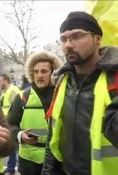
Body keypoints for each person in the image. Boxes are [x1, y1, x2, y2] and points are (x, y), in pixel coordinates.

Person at [42, 11, 118, 175]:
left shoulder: (115, 78)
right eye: (64, 39)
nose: (68, 44)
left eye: (77, 36)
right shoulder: (62, 82)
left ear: (97, 39)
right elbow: (52, 136)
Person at [7, 51, 62, 175]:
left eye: (44, 71)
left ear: (53, 73)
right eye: (36, 72)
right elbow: (10, 124)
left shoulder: (62, 95)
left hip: (56, 162)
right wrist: (20, 135)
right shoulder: (22, 97)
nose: (39, 75)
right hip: (28, 163)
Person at [0, 74, 21, 175]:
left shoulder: (12, 91)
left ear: (6, 81)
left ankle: (17, 169)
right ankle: (10, 168)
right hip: (8, 123)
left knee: (17, 147)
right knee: (11, 147)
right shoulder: (5, 93)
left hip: (14, 123)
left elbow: (18, 107)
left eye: (0, 81)